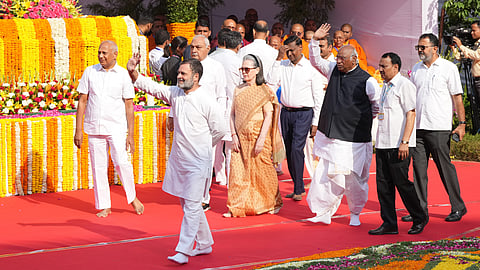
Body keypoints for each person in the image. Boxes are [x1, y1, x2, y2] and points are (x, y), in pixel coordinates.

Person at [127, 56, 227, 264]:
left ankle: (183, 250)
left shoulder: (206, 99)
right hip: (179, 160)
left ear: (196, 77)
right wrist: (133, 72)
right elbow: (153, 87)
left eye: (183, 74)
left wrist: (203, 148)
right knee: (187, 204)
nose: (179, 77)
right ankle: (205, 243)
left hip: (198, 163)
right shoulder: (176, 94)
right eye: (179, 74)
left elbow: (220, 130)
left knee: (191, 205)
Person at [307, 23, 381, 226]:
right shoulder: (333, 70)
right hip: (332, 136)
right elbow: (315, 61)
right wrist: (314, 40)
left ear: (354, 60)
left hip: (354, 140)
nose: (338, 61)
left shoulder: (368, 81)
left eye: (342, 59)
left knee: (355, 179)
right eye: (337, 58)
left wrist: (358, 120)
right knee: (324, 174)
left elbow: (376, 107)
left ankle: (355, 213)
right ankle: (323, 211)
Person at [401, 33, 467, 223]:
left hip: (439, 127)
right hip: (419, 128)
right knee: (418, 171)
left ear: (434, 48)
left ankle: (458, 206)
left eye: (423, 47)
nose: (420, 50)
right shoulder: (416, 69)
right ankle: (420, 209)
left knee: (444, 168)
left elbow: (457, 98)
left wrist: (461, 124)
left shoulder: (448, 68)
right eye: (418, 47)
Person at [74, 40, 144, 218]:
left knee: (121, 162)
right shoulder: (90, 71)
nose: (101, 56)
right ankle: (104, 205)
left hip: (116, 126)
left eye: (105, 53)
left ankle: (132, 197)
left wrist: (131, 134)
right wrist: (78, 129)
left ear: (115, 55)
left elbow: (129, 106)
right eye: (99, 52)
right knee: (98, 167)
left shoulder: (122, 75)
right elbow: (82, 101)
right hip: (94, 126)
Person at [368, 52, 428, 235]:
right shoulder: (385, 86)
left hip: (399, 144)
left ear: (395, 67)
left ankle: (419, 217)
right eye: (380, 66)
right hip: (383, 143)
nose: (380, 70)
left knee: (402, 183)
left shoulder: (405, 85)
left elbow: (411, 113)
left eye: (384, 66)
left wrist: (405, 142)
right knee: (383, 185)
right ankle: (389, 223)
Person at [224, 54, 285, 217]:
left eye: (247, 69)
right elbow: (231, 114)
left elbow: (268, 116)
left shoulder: (264, 90)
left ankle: (272, 202)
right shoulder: (238, 89)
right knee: (237, 173)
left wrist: (261, 140)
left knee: (263, 171)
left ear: (257, 70)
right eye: (242, 69)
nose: (244, 72)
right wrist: (233, 135)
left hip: (259, 137)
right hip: (240, 138)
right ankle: (236, 207)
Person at [268, 35, 326, 201]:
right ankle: (297, 186)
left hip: (304, 113)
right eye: (287, 51)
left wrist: (315, 122)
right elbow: (271, 83)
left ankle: (299, 187)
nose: (290, 54)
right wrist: (279, 58)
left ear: (301, 48)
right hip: (286, 112)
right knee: (289, 150)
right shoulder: (283, 65)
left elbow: (318, 97)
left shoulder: (310, 68)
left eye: (292, 50)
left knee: (296, 149)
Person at [190, 35, 228, 211]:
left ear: (207, 48)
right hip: (189, 121)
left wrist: (219, 119)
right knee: (190, 160)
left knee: (207, 161)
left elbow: (222, 95)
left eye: (198, 47)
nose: (194, 50)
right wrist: (173, 116)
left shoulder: (216, 67)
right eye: (192, 47)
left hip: (208, 122)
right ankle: (192, 193)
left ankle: (204, 197)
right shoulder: (186, 66)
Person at [209, 31, 244, 186]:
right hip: (232, 106)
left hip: (213, 106)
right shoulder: (238, 61)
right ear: (237, 45)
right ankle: (231, 181)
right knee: (230, 147)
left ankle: (217, 177)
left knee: (214, 146)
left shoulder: (209, 59)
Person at [452, 20, 480, 99]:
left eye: (474, 30)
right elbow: (462, 57)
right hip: (476, 80)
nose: (471, 33)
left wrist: (461, 46)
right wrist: (454, 48)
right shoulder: (476, 44)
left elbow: (476, 55)